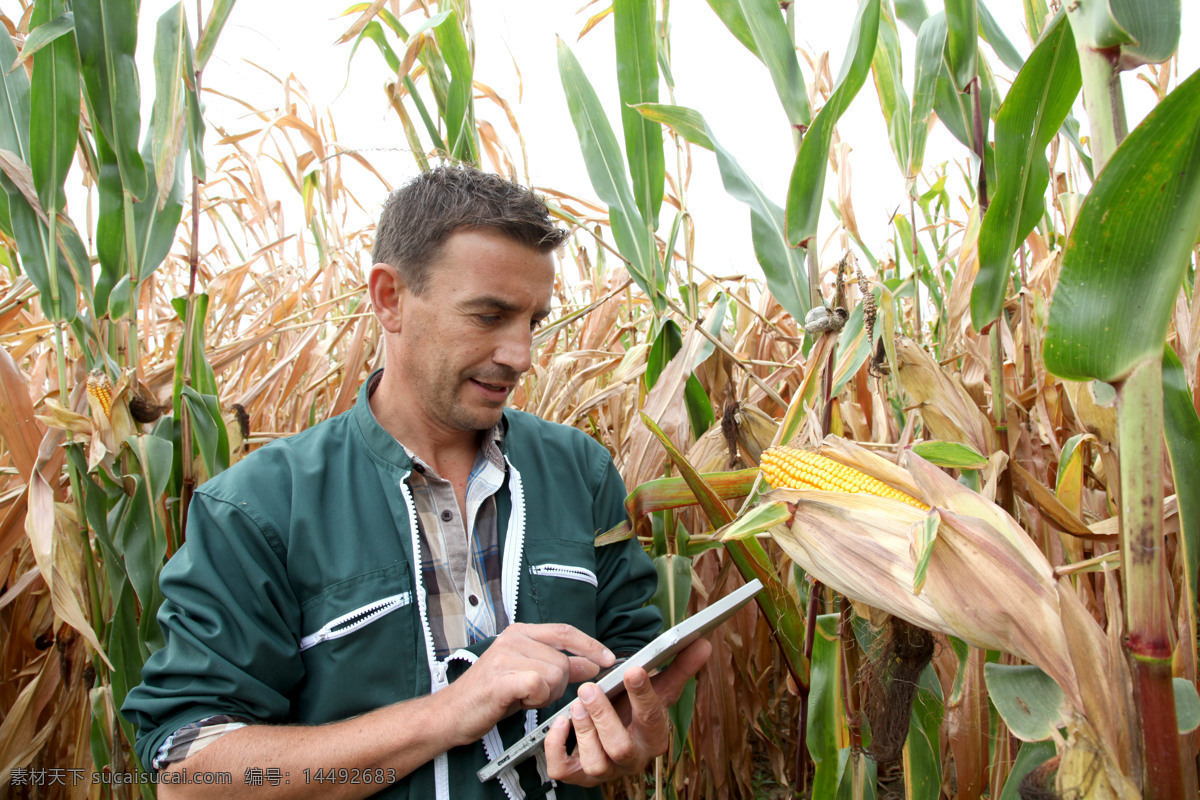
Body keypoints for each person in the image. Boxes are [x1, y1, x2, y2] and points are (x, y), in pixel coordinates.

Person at [122, 165, 712, 800]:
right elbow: (188, 775)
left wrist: (625, 736)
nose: (521, 355)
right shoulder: (260, 506)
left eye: (534, 321)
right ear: (389, 298)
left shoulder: (580, 472)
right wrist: (448, 713)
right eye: (489, 316)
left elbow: (629, 672)